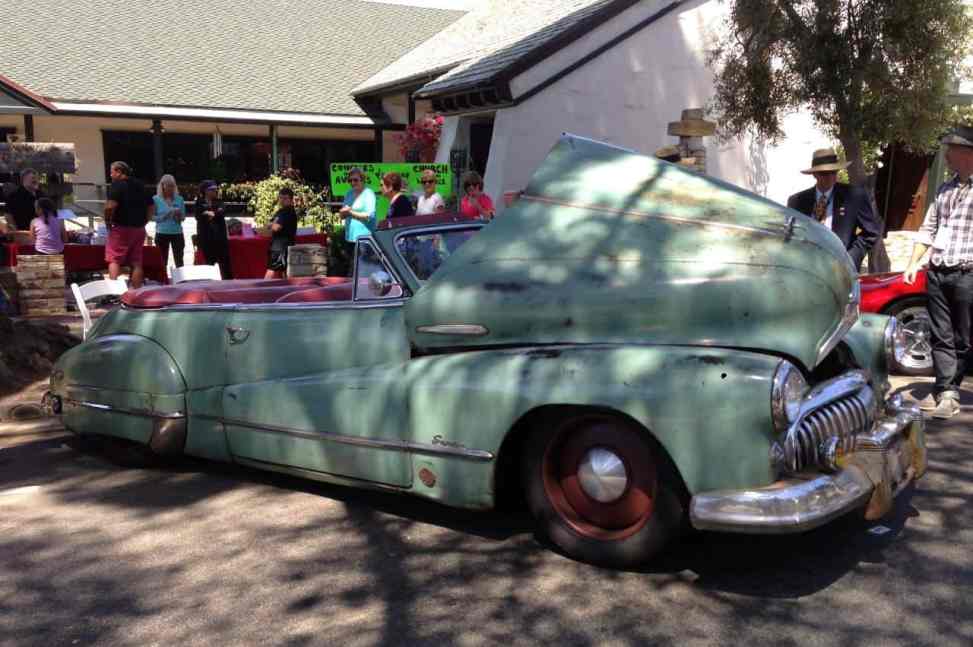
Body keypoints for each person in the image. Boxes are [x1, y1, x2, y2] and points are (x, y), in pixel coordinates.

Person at [903, 125, 973, 419]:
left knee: (965, 337)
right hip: (938, 270)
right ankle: (947, 390)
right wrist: (913, 262)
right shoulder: (944, 189)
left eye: (951, 151)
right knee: (940, 334)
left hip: (968, 272)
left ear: (968, 154)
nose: (946, 157)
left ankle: (951, 385)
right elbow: (929, 229)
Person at [786, 148, 880, 272]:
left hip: (841, 270)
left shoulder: (854, 196)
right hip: (807, 269)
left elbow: (871, 233)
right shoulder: (797, 201)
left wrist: (850, 259)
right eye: (825, 173)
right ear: (814, 174)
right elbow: (790, 235)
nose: (830, 177)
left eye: (833, 172)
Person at [104, 161, 154, 288]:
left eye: (112, 172)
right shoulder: (141, 185)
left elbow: (110, 206)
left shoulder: (117, 185)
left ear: (119, 171)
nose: (111, 175)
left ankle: (114, 292)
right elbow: (151, 205)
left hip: (121, 228)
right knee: (136, 262)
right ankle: (137, 292)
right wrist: (146, 220)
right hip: (139, 228)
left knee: (114, 259)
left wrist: (108, 221)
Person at [194, 180, 232, 279]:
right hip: (207, 239)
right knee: (208, 265)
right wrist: (209, 213)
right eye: (213, 189)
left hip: (220, 239)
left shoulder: (219, 202)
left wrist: (212, 214)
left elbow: (222, 211)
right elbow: (198, 215)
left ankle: (228, 283)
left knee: (224, 264)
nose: (216, 191)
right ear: (206, 191)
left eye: (216, 189)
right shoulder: (199, 202)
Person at [152, 174, 187, 272]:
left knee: (179, 259)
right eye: (168, 186)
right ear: (162, 186)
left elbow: (183, 217)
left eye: (172, 185)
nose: (170, 188)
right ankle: (163, 279)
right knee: (162, 260)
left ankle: (181, 280)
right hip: (162, 233)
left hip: (177, 233)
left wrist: (178, 216)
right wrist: (165, 215)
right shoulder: (156, 199)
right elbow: (152, 217)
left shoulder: (179, 199)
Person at [265, 187, 298, 279]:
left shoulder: (288, 212)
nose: (282, 200)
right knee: (285, 271)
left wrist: (272, 224)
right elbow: (268, 224)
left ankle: (262, 289)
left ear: (291, 200)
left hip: (281, 247)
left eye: (285, 198)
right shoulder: (280, 211)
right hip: (278, 245)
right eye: (281, 198)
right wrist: (271, 224)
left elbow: (276, 227)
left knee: (271, 270)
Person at [339, 167, 376, 249]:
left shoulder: (368, 193)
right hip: (350, 237)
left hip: (364, 239)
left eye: (355, 180)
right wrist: (342, 213)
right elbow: (342, 215)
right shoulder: (349, 193)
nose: (352, 182)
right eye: (350, 180)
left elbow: (369, 216)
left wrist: (350, 212)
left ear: (362, 180)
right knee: (351, 262)